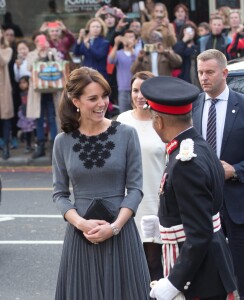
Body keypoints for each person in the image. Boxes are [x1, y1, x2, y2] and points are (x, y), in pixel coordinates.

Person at [52, 66, 151, 300]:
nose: (101, 103)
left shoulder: (126, 133)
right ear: (76, 101)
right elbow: (59, 194)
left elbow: (136, 188)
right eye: (92, 98)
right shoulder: (62, 141)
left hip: (121, 234)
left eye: (104, 96)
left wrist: (114, 227)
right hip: (81, 237)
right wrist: (81, 223)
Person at [140, 75, 236, 300]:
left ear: (159, 121)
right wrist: (164, 224)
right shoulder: (197, 146)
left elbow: (199, 232)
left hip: (200, 279)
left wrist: (174, 282)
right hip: (209, 268)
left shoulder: (185, 162)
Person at [192, 49, 244, 300]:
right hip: (202, 205)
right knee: (208, 276)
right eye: (200, 73)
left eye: (209, 72)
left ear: (224, 73)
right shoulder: (193, 105)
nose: (204, 78)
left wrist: (235, 170)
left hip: (240, 207)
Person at [117, 71, 165, 281]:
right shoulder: (122, 120)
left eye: (144, 91)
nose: (139, 96)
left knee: (154, 263)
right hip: (129, 203)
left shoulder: (164, 121)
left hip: (157, 202)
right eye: (135, 90)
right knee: (132, 264)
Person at [26, 33, 60, 159]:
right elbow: (29, 67)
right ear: (35, 42)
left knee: (52, 117)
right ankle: (40, 146)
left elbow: (59, 66)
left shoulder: (53, 52)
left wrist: (49, 53)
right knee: (38, 119)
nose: (40, 43)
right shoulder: (31, 54)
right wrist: (38, 54)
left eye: (42, 40)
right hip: (37, 92)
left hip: (51, 91)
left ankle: (53, 147)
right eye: (38, 41)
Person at [108, 30, 137, 113]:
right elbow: (110, 60)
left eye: (131, 37)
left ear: (135, 40)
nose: (128, 39)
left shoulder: (138, 53)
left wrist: (131, 49)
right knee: (124, 115)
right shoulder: (118, 53)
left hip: (137, 89)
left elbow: (137, 63)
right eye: (126, 37)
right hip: (123, 89)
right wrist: (116, 44)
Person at [0, 28, 14, 160]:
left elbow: (3, 61)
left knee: (5, 118)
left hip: (3, 88)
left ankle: (6, 147)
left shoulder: (7, 49)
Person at [16, 76, 35, 153]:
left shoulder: (32, 92)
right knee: (27, 132)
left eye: (24, 82)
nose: (21, 85)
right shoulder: (20, 93)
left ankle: (37, 145)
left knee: (35, 130)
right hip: (24, 116)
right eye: (20, 83)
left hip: (32, 115)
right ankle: (28, 145)